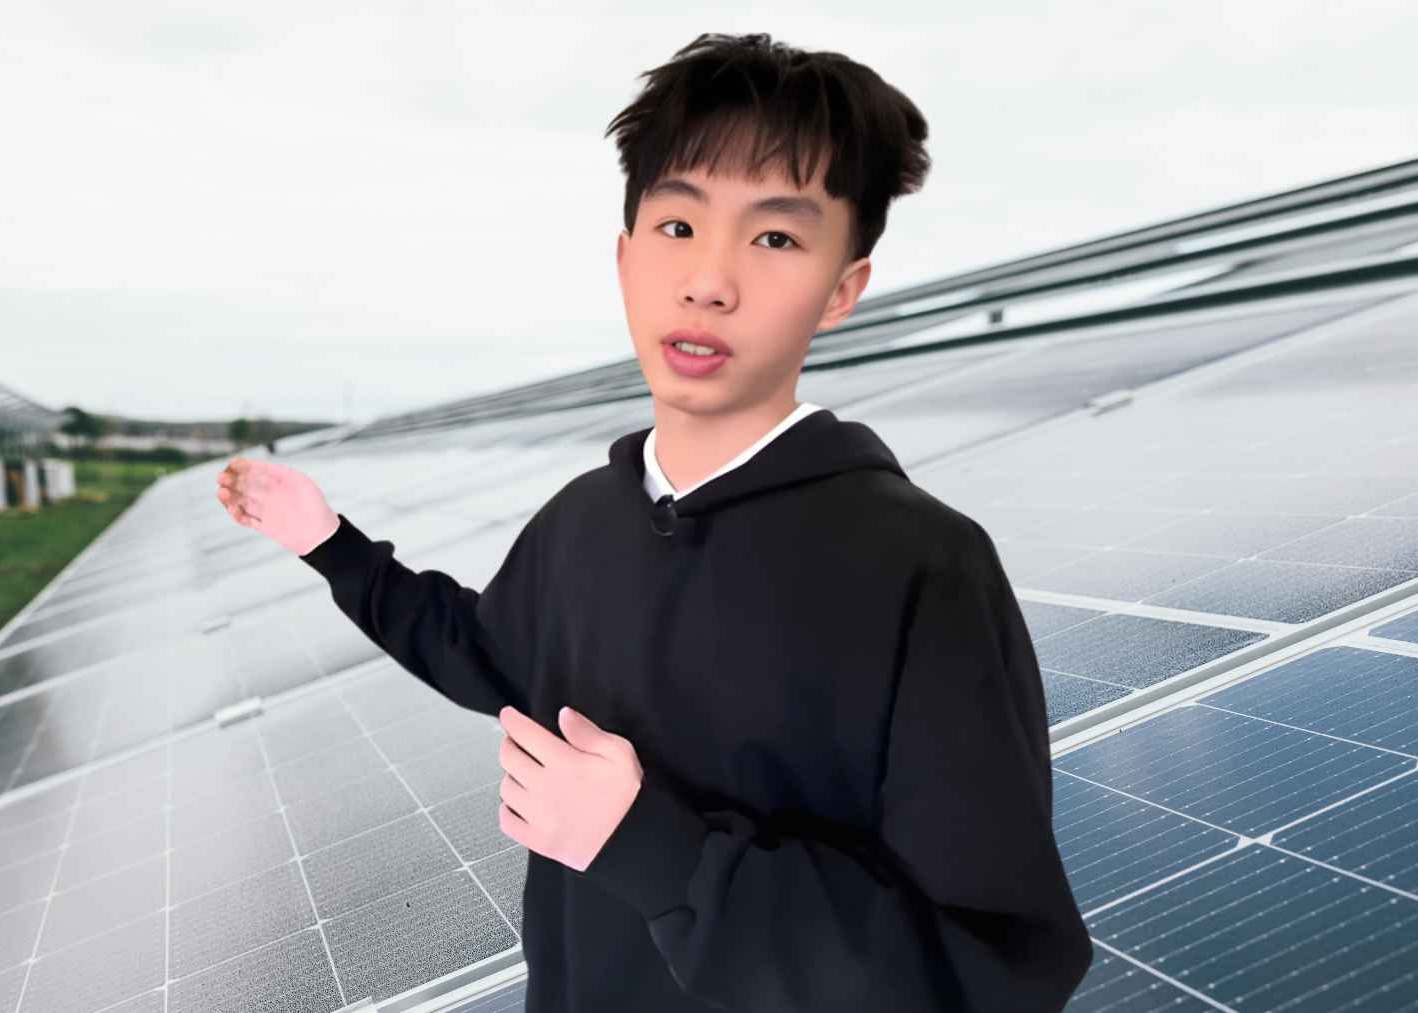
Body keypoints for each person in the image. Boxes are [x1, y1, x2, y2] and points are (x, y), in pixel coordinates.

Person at [216, 31, 1092, 1012]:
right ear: (626, 257)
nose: (709, 280)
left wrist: (649, 845)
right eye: (678, 227)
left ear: (842, 288)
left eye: (774, 237)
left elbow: (989, 973)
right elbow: (488, 654)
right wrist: (327, 541)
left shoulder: (922, 568)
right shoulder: (586, 520)